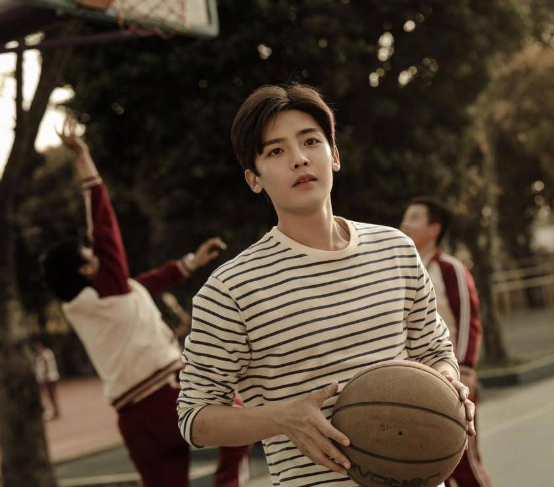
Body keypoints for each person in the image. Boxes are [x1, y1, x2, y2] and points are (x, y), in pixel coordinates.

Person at [176, 84, 475, 487]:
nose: (299, 158)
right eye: (276, 151)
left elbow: (434, 350)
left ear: (334, 155)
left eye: (310, 141)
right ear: (254, 179)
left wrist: (446, 387)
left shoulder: (396, 249)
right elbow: (194, 418)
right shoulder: (231, 289)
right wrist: (281, 418)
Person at [40, 118, 250, 487]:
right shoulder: (108, 285)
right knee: (239, 418)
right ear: (85, 269)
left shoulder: (94, 303)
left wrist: (190, 263)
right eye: (89, 254)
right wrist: (83, 156)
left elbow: (146, 283)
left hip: (133, 420)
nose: (97, 254)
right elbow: (103, 224)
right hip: (165, 398)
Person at [400, 197, 491, 487]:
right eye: (405, 217)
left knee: (463, 461)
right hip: (414, 383)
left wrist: (465, 367)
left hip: (451, 378)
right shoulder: (399, 271)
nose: (404, 224)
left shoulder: (450, 268)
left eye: (414, 217)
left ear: (435, 228)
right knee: (430, 467)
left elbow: (468, 320)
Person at [32, 337, 61, 420]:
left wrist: (42, 378)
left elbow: (45, 367)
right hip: (48, 377)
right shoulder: (42, 355)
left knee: (51, 396)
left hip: (49, 377)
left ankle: (55, 411)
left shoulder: (46, 354)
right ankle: (54, 411)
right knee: (49, 396)